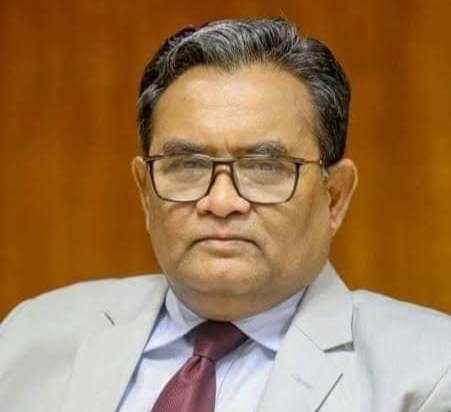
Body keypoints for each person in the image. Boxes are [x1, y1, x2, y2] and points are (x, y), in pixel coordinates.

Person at [0, 17, 450, 412]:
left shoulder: (429, 373)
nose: (220, 202)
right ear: (145, 192)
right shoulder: (30, 334)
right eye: (187, 165)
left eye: (264, 167)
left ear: (334, 197)